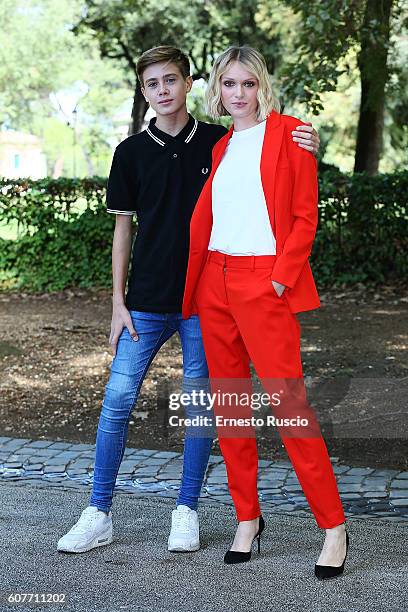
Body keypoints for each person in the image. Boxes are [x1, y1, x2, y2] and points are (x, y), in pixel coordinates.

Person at [57, 45, 321, 555]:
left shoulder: (222, 142)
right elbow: (122, 231)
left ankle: (187, 509)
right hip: (146, 302)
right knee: (116, 402)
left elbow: (273, 156)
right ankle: (97, 511)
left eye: (171, 80)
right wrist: (117, 301)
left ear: (189, 83)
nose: (163, 90)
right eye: (152, 83)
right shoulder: (129, 153)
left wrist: (307, 138)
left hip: (206, 298)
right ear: (144, 91)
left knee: (203, 408)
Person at [182, 45, 349, 579]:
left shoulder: (290, 134)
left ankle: (334, 526)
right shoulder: (221, 145)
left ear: (263, 87)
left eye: (247, 84)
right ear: (217, 89)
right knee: (230, 407)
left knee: (289, 405)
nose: (238, 94)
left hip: (264, 283)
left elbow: (304, 216)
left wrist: (279, 278)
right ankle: (247, 519)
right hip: (215, 282)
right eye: (228, 84)